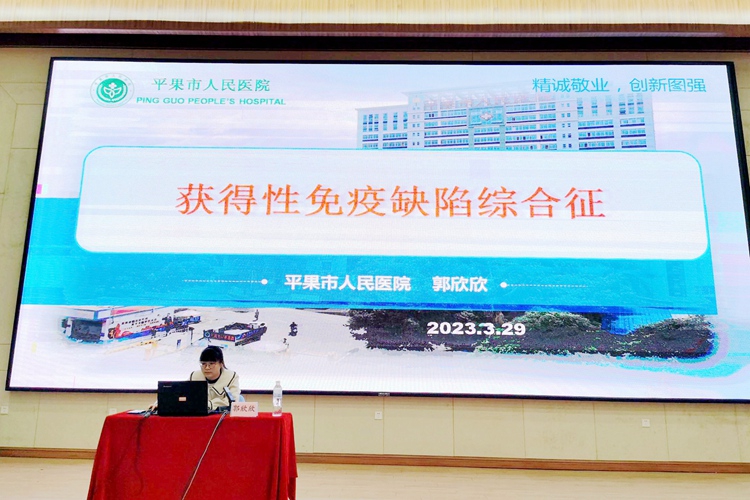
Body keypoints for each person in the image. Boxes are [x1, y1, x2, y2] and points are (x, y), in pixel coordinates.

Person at [189, 346, 241, 411]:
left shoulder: (231, 377)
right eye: (203, 364)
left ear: (221, 364)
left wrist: (209, 405)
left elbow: (232, 402)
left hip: (222, 415)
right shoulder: (194, 376)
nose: (207, 368)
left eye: (211, 364)